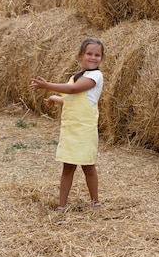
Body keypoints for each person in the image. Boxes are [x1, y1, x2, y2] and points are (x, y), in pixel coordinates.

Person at [30, 37, 104, 211]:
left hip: (85, 129)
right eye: (89, 54)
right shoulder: (76, 77)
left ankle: (96, 201)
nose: (93, 57)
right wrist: (55, 98)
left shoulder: (95, 76)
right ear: (80, 56)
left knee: (88, 167)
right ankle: (62, 205)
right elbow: (72, 98)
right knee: (68, 167)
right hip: (71, 129)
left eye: (97, 55)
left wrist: (47, 85)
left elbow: (72, 90)